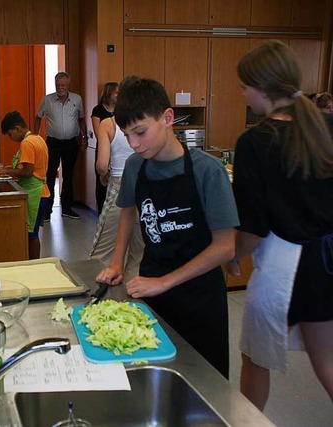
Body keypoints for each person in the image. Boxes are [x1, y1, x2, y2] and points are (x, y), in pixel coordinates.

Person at [96, 76, 238, 379]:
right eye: (126, 134)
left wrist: (165, 282)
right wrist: (117, 262)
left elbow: (225, 247)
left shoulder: (207, 171)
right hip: (153, 287)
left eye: (140, 132)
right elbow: (127, 213)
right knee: (154, 377)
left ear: (168, 118)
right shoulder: (136, 166)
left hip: (200, 297)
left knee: (203, 384)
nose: (133, 143)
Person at [227, 40, 333, 410]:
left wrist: (235, 256)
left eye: (244, 86)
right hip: (327, 261)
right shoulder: (325, 126)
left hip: (284, 264)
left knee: (255, 357)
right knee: (327, 361)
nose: (242, 93)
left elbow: (254, 226)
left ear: (262, 88)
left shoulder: (257, 141)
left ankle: (247, 421)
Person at [89, 107, 143, 280]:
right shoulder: (145, 121)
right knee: (139, 255)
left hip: (119, 186)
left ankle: (100, 300)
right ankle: (133, 301)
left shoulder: (108, 124)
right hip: (145, 187)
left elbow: (102, 164)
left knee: (102, 254)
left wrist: (103, 173)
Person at [34, 71, 87, 221]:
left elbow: (81, 119)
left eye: (63, 85)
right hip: (53, 142)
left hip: (71, 142)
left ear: (68, 85)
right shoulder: (47, 100)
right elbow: (38, 117)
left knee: (68, 176)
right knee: (50, 176)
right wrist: (36, 136)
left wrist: (84, 137)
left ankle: (67, 208)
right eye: (58, 85)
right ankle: (46, 210)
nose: (60, 88)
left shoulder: (77, 99)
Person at [0, 111, 50, 259]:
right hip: (43, 192)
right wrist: (9, 169)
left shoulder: (26, 143)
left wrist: (8, 171)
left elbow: (28, 171)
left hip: (35, 193)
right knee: (33, 233)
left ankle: (33, 263)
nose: (11, 138)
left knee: (31, 234)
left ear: (17, 128)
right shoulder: (38, 138)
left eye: (10, 134)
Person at [91, 82, 119, 214]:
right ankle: (102, 211)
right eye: (116, 93)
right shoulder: (98, 110)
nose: (118, 96)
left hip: (117, 149)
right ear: (109, 93)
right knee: (102, 182)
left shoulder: (121, 110)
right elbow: (98, 133)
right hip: (104, 148)